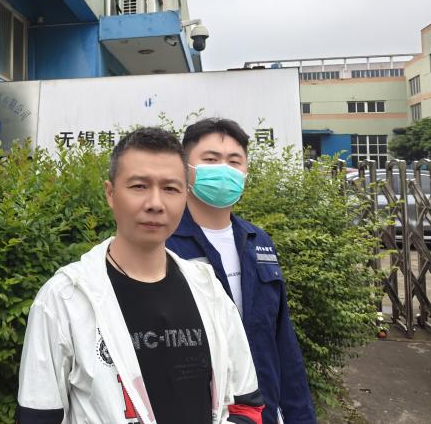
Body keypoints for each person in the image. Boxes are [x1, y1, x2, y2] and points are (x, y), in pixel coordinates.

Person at [16, 127, 264, 424]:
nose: (155, 203)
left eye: (170, 189)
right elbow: (38, 416)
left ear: (185, 196)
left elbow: (246, 405)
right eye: (139, 186)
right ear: (110, 194)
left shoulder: (208, 289)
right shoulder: (64, 298)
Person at [166, 118, 316, 424]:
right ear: (185, 168)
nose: (224, 169)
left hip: (264, 410)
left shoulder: (258, 242)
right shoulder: (164, 244)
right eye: (211, 160)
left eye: (234, 161)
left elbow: (282, 341)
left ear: (245, 171)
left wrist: (300, 416)